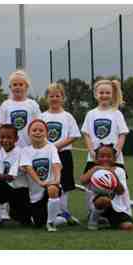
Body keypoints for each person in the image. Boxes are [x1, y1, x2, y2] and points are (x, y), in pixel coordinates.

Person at [81, 79, 129, 222]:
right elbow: (86, 134)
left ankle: (123, 211)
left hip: (113, 158)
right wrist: (91, 151)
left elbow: (122, 134)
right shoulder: (91, 114)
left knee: (118, 185)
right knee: (91, 185)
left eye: (107, 93)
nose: (104, 95)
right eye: (101, 92)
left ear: (112, 94)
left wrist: (117, 150)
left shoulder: (117, 113)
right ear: (96, 94)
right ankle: (93, 212)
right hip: (95, 158)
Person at [41, 82, 81, 223]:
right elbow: (37, 134)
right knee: (50, 182)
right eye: (51, 96)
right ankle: (52, 212)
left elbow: (74, 135)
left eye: (57, 96)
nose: (54, 98)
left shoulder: (67, 116)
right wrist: (48, 148)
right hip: (46, 156)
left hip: (64, 154)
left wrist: (56, 146)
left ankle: (64, 212)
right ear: (47, 98)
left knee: (65, 183)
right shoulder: (42, 116)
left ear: (62, 98)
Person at [20, 119, 63, 232]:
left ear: (46, 133)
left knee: (53, 189)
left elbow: (56, 164)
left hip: (50, 187)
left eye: (41, 130)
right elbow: (29, 168)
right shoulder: (25, 151)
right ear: (29, 133)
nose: (37, 132)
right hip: (35, 195)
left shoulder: (51, 148)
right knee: (38, 222)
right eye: (34, 130)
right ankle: (62, 217)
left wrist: (57, 180)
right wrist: (40, 182)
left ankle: (51, 223)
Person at [80, 144, 133, 231]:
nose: (105, 159)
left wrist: (113, 175)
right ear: (96, 159)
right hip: (99, 204)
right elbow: (83, 181)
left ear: (115, 159)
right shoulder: (93, 170)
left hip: (117, 207)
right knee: (103, 200)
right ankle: (93, 220)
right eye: (102, 156)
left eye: (109, 156)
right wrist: (95, 169)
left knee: (128, 226)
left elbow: (120, 191)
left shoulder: (119, 171)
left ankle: (108, 222)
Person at [0, 124, 30, 225]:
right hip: (9, 189)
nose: (5, 140)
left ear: (16, 139)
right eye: (2, 137)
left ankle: (61, 217)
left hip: (21, 192)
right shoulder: (2, 151)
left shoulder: (19, 153)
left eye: (9, 137)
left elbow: (11, 177)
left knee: (25, 221)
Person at [0, 70, 41, 148]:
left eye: (21, 84)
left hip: (29, 148)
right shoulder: (5, 105)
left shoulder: (33, 104)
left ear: (26, 86)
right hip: (10, 148)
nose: (18, 87)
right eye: (15, 85)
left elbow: (39, 125)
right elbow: (0, 126)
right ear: (10, 87)